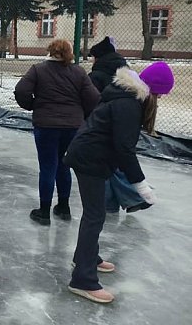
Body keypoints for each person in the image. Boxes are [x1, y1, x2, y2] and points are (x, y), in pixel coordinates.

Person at [63, 62, 174, 304]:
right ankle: (83, 280)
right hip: (90, 159)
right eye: (159, 95)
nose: (158, 101)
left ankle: (86, 259)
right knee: (94, 216)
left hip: (90, 156)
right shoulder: (128, 105)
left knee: (95, 213)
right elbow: (125, 149)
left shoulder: (124, 96)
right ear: (153, 91)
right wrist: (140, 185)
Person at [14, 39, 100, 226]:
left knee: (47, 166)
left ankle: (44, 211)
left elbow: (21, 90)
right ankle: (63, 207)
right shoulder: (78, 72)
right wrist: (81, 114)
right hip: (72, 127)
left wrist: (33, 105)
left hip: (46, 125)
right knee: (64, 164)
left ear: (50, 51)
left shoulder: (38, 69)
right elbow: (93, 97)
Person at [88, 36, 151, 214]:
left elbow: (90, 100)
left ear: (98, 57)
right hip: (123, 124)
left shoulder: (96, 76)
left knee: (104, 167)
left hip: (101, 125)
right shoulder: (126, 72)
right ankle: (126, 199)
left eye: (93, 57)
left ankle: (122, 200)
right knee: (115, 163)